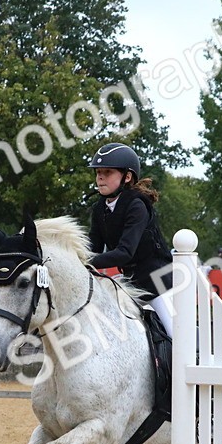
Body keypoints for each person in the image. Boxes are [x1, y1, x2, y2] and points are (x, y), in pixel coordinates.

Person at [86, 142, 174, 338]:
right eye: (98, 172)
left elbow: (125, 252)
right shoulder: (100, 209)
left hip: (160, 284)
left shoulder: (137, 206)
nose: (100, 177)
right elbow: (94, 248)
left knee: (175, 335)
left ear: (127, 177)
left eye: (107, 172)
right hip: (132, 283)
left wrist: (84, 261)